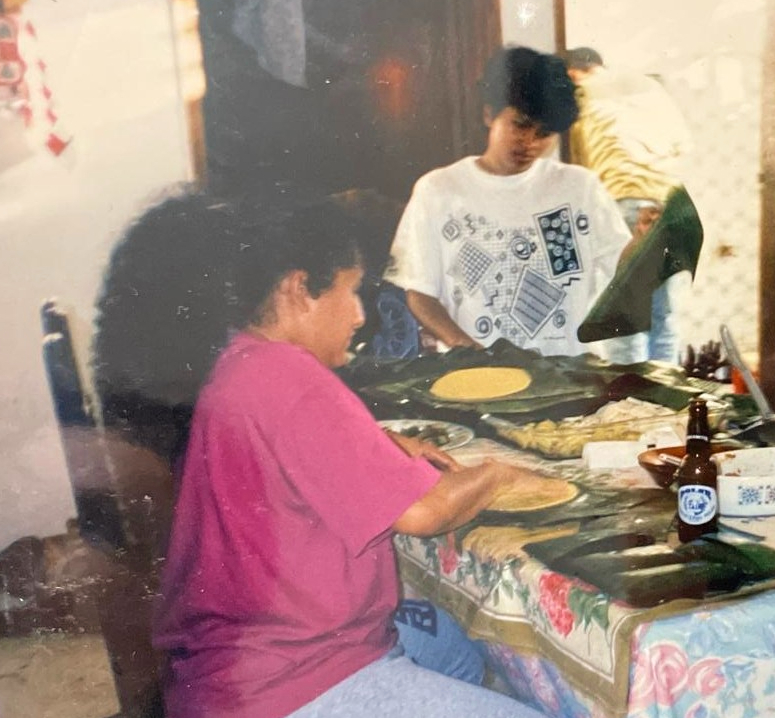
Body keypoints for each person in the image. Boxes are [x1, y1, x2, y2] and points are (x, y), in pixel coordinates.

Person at [150, 194, 546, 718]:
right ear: (299, 290)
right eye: (352, 291)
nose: (361, 316)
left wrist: (375, 445)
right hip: (294, 683)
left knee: (455, 646)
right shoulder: (296, 380)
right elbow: (423, 513)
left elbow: (296, 457)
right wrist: (497, 475)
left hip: (229, 664)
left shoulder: (243, 361)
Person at [385, 45, 640, 362]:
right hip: (478, 379)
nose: (530, 143)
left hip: (571, 377)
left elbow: (624, 273)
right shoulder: (439, 191)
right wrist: (471, 352)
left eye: (544, 133)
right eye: (520, 124)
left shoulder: (578, 188)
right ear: (489, 113)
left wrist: (647, 243)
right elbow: (420, 293)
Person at [563, 46, 692, 363]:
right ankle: (666, 398)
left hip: (623, 202)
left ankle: (632, 401)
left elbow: (577, 169)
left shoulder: (579, 93)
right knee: (664, 319)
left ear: (571, 72)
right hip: (671, 205)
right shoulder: (650, 88)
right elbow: (683, 144)